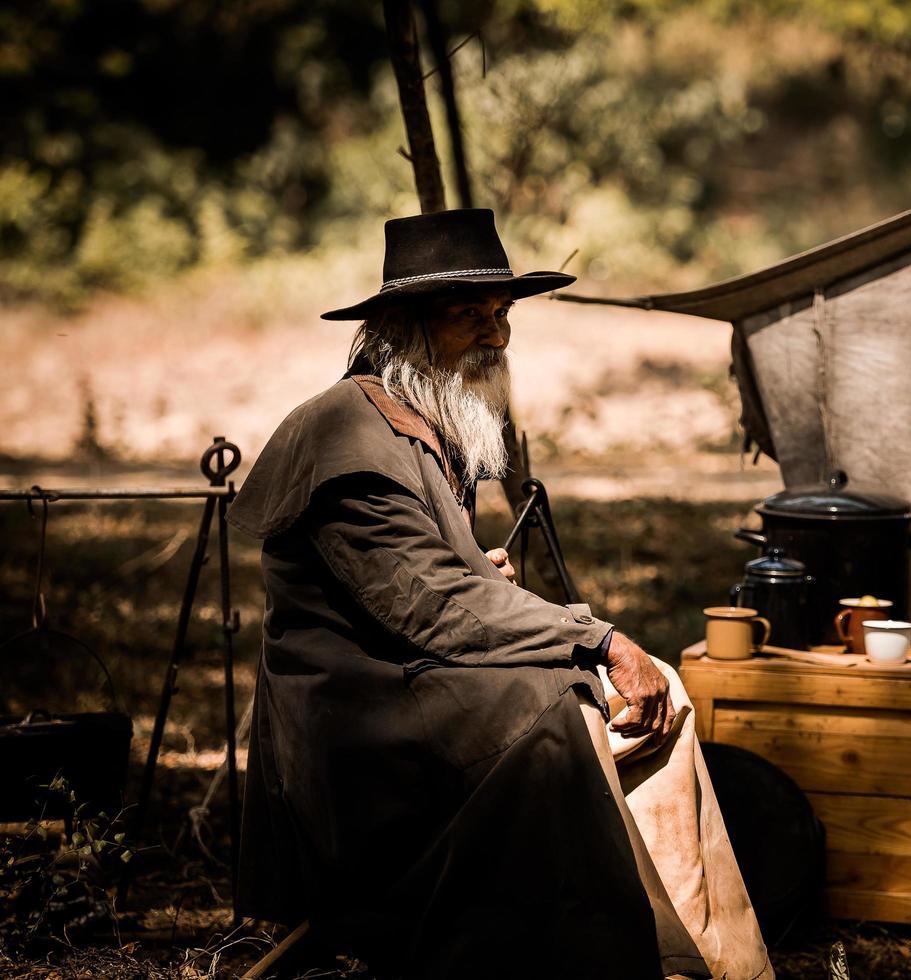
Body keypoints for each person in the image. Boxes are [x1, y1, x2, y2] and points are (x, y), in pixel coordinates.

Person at [227, 209, 773, 980]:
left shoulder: (419, 416)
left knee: (661, 694)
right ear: (401, 328)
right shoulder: (348, 438)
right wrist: (602, 638)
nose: (495, 335)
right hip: (355, 727)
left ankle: (704, 956)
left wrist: (478, 570)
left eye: (500, 315)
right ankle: (614, 950)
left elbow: (423, 580)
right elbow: (433, 606)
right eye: (467, 316)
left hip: (415, 678)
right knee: (564, 704)